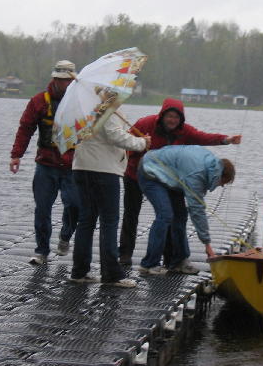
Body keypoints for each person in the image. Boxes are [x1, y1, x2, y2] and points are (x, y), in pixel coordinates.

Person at [118, 98, 241, 268]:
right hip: (135, 173)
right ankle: (125, 254)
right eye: (169, 116)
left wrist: (226, 140)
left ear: (181, 119)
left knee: (175, 215)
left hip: (167, 179)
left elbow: (203, 137)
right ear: (162, 115)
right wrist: (140, 148)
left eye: (177, 117)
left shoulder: (184, 131)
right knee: (132, 215)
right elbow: (124, 143)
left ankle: (172, 259)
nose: (173, 120)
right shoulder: (145, 123)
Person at [70, 98, 151, 288]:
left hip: (81, 167)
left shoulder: (84, 108)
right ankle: (111, 274)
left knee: (86, 220)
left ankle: (79, 272)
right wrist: (141, 142)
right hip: (104, 170)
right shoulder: (108, 109)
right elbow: (114, 135)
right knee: (109, 221)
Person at [9, 60, 81, 265]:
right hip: (46, 165)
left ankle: (65, 236)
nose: (65, 84)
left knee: (75, 206)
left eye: (68, 81)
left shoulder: (81, 104)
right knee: (42, 209)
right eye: (61, 80)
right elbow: (25, 128)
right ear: (54, 80)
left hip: (72, 166)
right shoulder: (39, 101)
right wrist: (16, 155)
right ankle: (41, 251)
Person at [137, 145, 235, 275]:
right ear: (220, 176)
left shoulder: (211, 164)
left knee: (180, 215)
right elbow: (197, 210)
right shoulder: (197, 174)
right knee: (165, 215)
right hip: (150, 171)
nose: (221, 185)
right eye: (223, 182)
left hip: (169, 175)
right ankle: (148, 264)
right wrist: (207, 244)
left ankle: (178, 262)